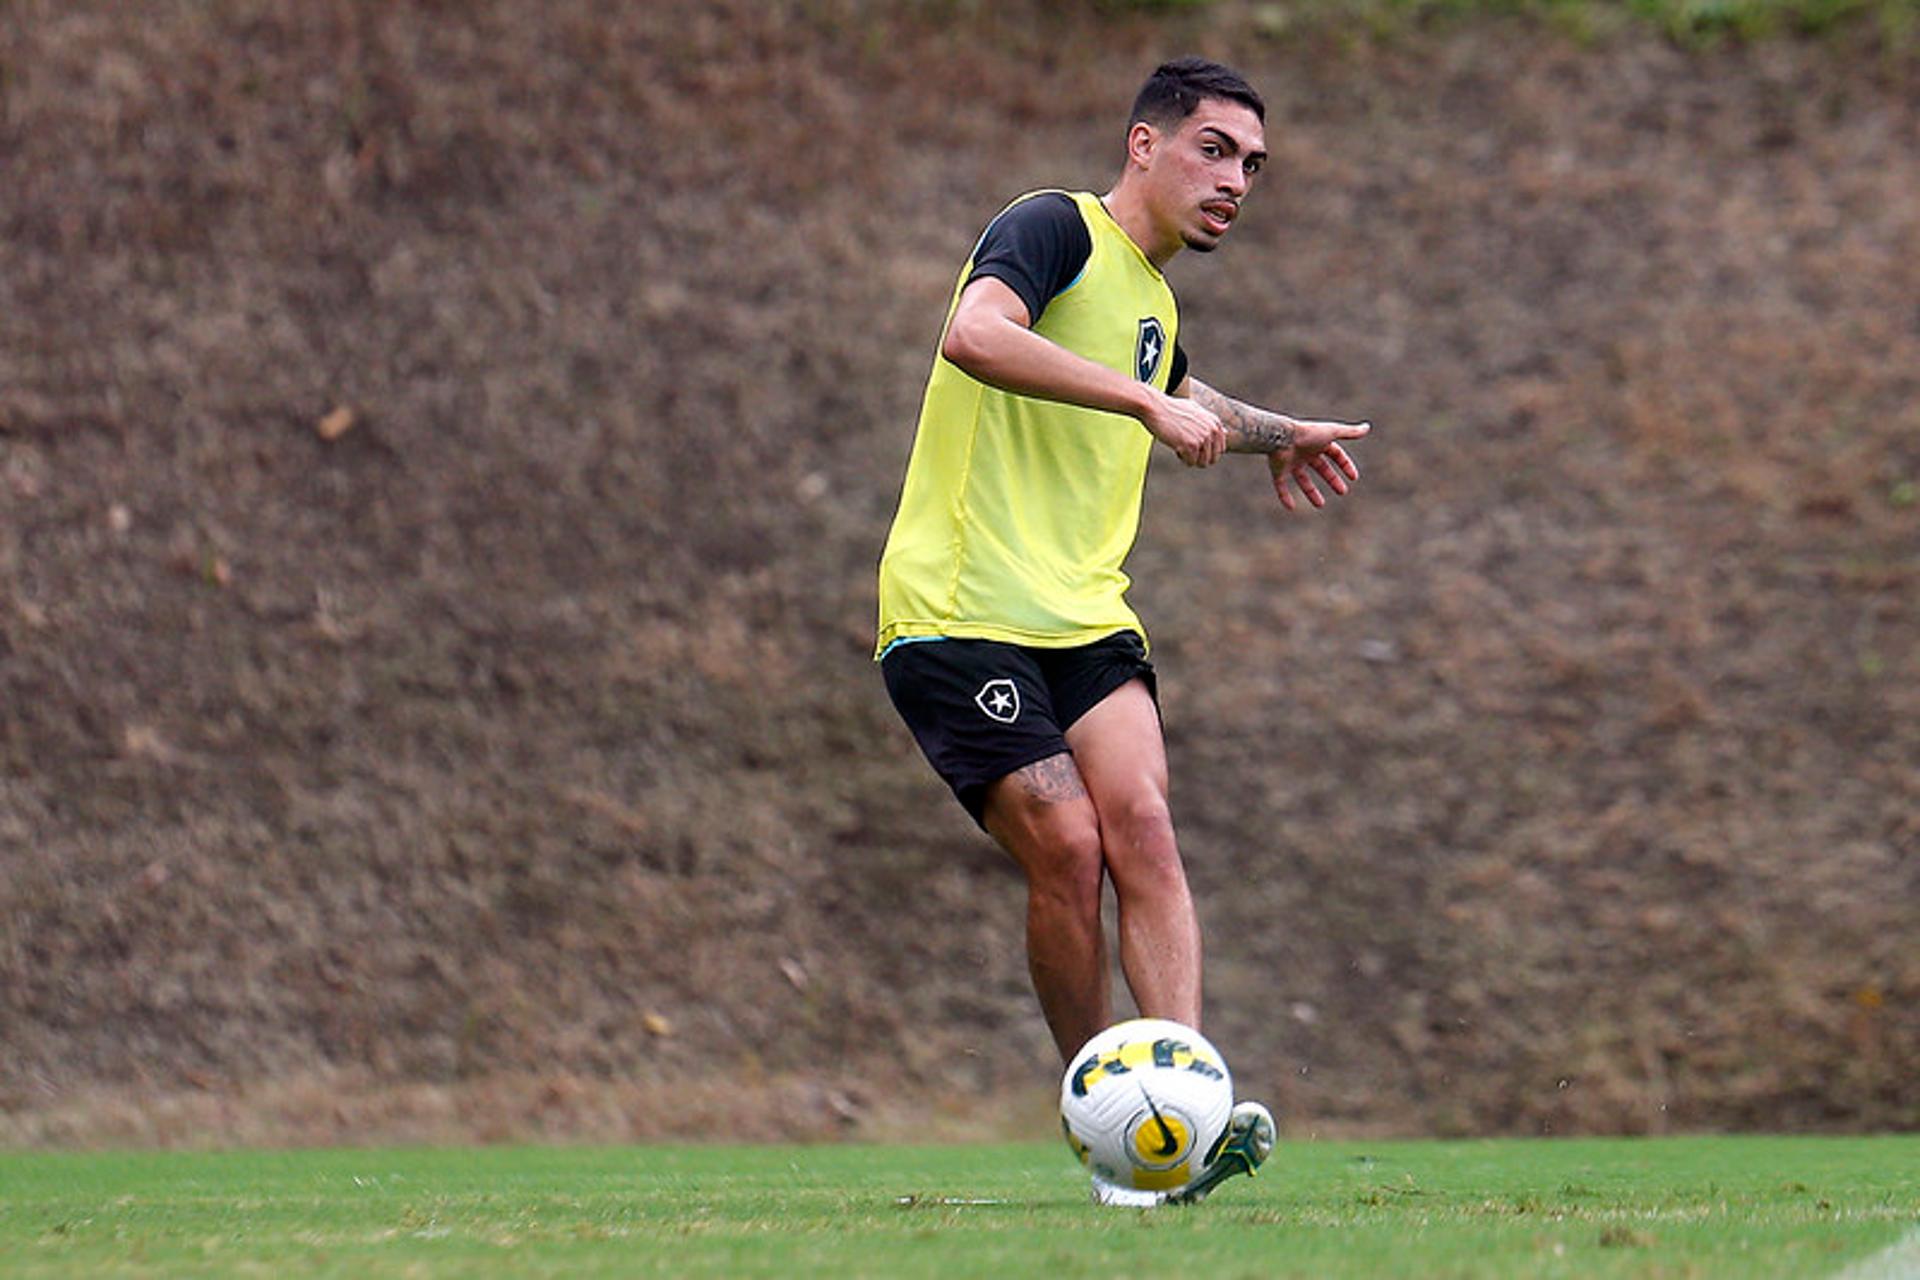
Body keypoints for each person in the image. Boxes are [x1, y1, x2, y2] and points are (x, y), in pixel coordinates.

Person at [874, 57, 1371, 1205]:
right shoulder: (1052, 228)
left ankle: (1179, 1118)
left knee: (1142, 824)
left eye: (1252, 164)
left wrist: (1276, 430)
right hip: (960, 608)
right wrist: (1146, 403)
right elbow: (974, 334)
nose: (1235, 179)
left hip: (1084, 612)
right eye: (1213, 149)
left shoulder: (1155, 300)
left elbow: (1182, 390)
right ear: (1143, 144)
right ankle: (1117, 1128)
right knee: (1069, 846)